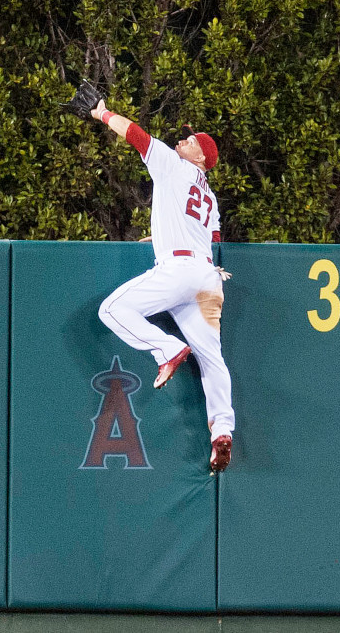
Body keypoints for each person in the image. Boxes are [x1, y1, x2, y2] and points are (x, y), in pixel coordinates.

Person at [89, 97, 235, 473]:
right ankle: (222, 431)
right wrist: (162, 238)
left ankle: (167, 349)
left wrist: (103, 113)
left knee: (112, 309)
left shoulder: (172, 165)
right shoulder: (211, 197)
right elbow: (213, 240)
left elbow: (135, 135)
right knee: (212, 358)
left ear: (201, 158)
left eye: (192, 142)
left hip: (179, 271)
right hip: (207, 277)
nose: (183, 142)